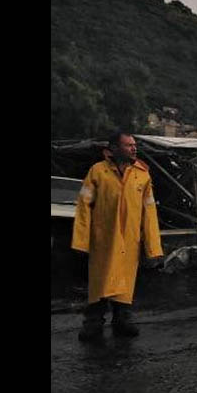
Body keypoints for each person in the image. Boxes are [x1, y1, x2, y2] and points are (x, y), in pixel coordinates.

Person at [72, 131, 164, 342]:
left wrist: (153, 247)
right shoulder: (98, 172)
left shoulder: (142, 175)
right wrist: (81, 240)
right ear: (114, 148)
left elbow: (149, 213)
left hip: (130, 240)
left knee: (125, 280)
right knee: (101, 281)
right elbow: (83, 207)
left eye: (134, 145)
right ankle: (93, 321)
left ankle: (123, 318)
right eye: (128, 145)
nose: (134, 148)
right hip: (103, 239)